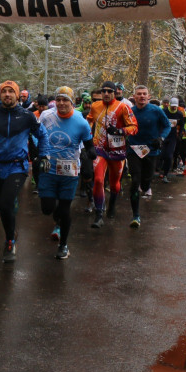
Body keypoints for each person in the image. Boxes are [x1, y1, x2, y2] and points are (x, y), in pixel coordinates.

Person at [0, 80, 38, 262]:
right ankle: (11, 223)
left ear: (17, 95)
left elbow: (40, 134)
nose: (7, 95)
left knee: (5, 203)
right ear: (0, 95)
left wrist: (43, 156)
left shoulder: (27, 116)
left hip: (17, 166)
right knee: (1, 198)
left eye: (11, 92)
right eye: (4, 91)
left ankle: (10, 240)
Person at [35, 87, 94, 259]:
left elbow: (89, 144)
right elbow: (37, 135)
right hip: (48, 168)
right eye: (59, 99)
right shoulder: (46, 116)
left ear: (72, 102)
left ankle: (64, 245)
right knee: (48, 209)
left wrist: (90, 153)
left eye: (65, 100)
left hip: (69, 171)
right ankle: (57, 218)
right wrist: (37, 154)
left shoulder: (80, 121)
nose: (61, 103)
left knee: (65, 209)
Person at [86, 81, 138, 228]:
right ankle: (99, 214)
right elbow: (88, 121)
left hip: (117, 151)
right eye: (104, 91)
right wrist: (87, 135)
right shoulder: (96, 106)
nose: (106, 94)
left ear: (115, 93)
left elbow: (134, 127)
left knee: (115, 184)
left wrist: (120, 131)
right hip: (99, 149)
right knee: (98, 180)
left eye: (110, 91)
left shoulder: (123, 107)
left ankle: (112, 204)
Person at [126, 85, 170, 228]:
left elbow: (168, 125)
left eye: (144, 93)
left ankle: (146, 186)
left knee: (145, 182)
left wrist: (161, 138)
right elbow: (124, 126)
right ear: (134, 96)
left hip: (151, 150)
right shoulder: (130, 112)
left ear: (149, 96)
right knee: (135, 181)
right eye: (139, 94)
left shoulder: (156, 110)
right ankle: (136, 216)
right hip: (134, 150)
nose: (142, 96)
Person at [159, 97, 186, 183]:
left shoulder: (179, 114)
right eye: (173, 106)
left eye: (175, 106)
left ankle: (165, 175)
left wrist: (180, 133)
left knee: (169, 156)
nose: (174, 107)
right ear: (170, 105)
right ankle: (160, 170)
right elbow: (159, 122)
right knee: (162, 155)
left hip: (173, 137)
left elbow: (182, 125)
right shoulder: (165, 112)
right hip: (164, 136)